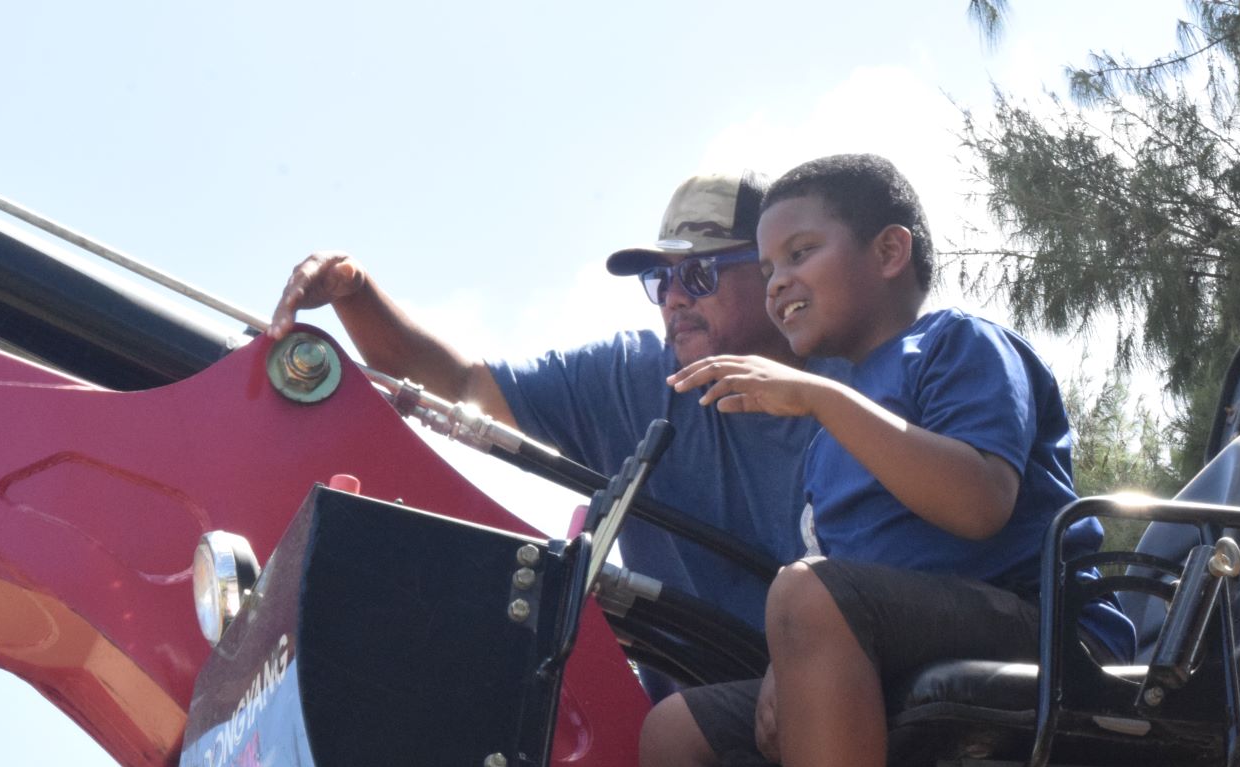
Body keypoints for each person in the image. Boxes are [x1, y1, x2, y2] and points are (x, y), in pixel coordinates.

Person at [638, 154, 1135, 767]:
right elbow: (844, 597)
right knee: (673, 734)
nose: (778, 282)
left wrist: (821, 402)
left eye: (799, 253)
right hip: (907, 649)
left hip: (1043, 632)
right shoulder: (829, 438)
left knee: (806, 589)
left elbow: (977, 504)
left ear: (889, 251)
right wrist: (790, 668)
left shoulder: (952, 346)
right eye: (767, 267)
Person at [269, 172, 838, 635]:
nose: (674, 297)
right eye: (659, 280)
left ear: (770, 271)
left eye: (697, 273)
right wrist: (356, 291)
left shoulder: (857, 392)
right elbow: (462, 385)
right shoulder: (631, 379)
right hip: (692, 716)